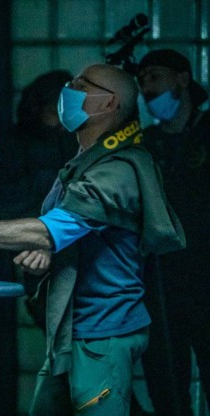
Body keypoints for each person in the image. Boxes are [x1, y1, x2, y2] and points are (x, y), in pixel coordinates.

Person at [0, 63, 185, 415]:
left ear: (109, 103)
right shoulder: (87, 159)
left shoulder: (117, 171)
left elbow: (49, 229)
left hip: (101, 336)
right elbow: (78, 232)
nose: (70, 90)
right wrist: (50, 253)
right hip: (70, 333)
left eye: (82, 85)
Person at [136, 49, 210, 415]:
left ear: (182, 78)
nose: (147, 88)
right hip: (161, 281)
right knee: (166, 386)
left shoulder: (206, 133)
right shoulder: (147, 145)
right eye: (142, 81)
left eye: (155, 76)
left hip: (206, 276)